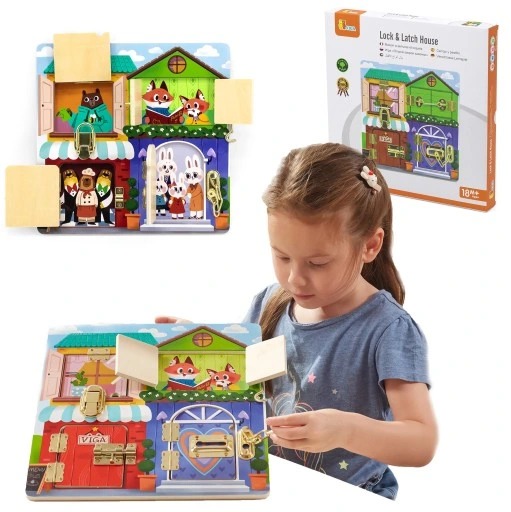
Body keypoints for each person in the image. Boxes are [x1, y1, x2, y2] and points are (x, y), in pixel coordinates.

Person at [157, 142, 437, 500]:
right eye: (282, 257)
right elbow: (241, 372)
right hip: (277, 485)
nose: (294, 279)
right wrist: (203, 342)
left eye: (317, 263)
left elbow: (421, 440)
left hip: (350, 494)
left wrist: (344, 430)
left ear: (370, 246)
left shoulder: (388, 329)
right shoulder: (271, 301)